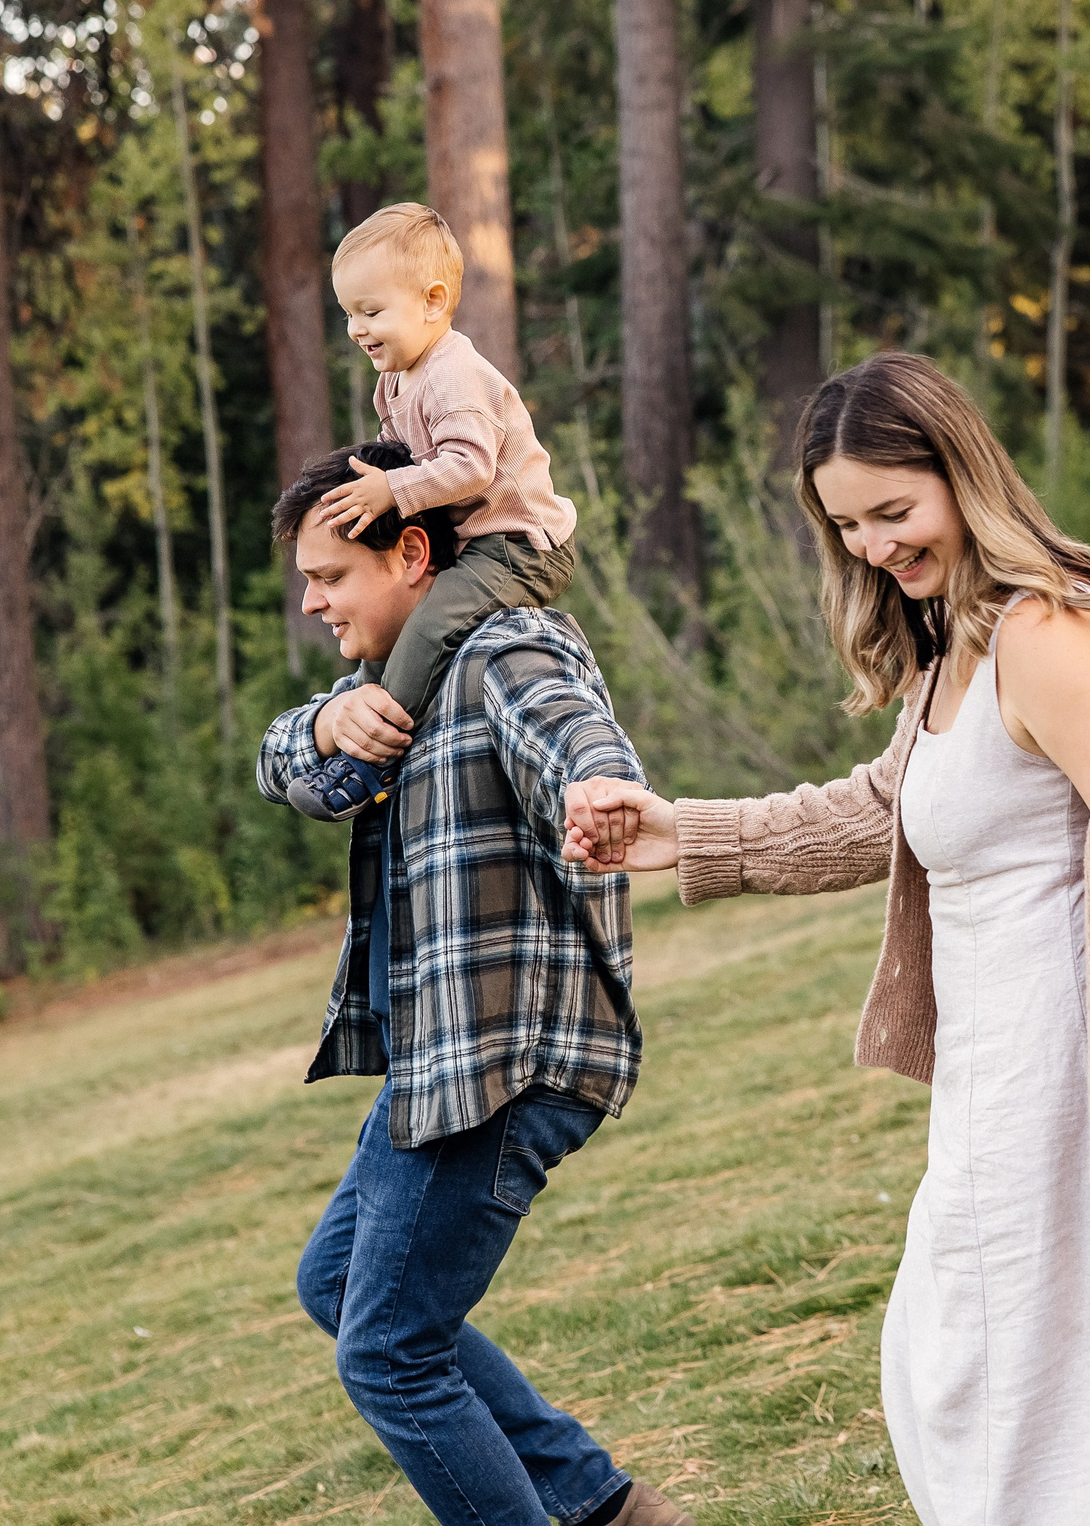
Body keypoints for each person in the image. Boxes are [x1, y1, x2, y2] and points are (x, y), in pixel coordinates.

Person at [559, 353, 1090, 1526]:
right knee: (960, 1384)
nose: (876, 544)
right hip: (990, 1092)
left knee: (1084, 1411)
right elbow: (887, 810)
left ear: (962, 473)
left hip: (1078, 1089)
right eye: (848, 525)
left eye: (894, 508)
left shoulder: (1044, 637)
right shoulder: (950, 651)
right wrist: (681, 833)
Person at [258, 441, 694, 1526]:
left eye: (331, 574)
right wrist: (319, 722)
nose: (313, 600)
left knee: (390, 1353)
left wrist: (603, 787)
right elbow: (291, 772)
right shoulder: (390, 686)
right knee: (339, 1282)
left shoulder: (502, 647)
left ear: (412, 551)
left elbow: (574, 733)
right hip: (443, 1056)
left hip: (506, 1054)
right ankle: (601, 1504)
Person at [290, 202, 580, 821]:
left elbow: (471, 467)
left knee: (426, 629)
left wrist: (393, 491)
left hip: (520, 543)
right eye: (348, 315)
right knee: (386, 643)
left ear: (432, 300)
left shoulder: (452, 374)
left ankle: (370, 765)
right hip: (470, 537)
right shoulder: (395, 378)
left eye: (371, 312)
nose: (356, 330)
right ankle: (355, 731)